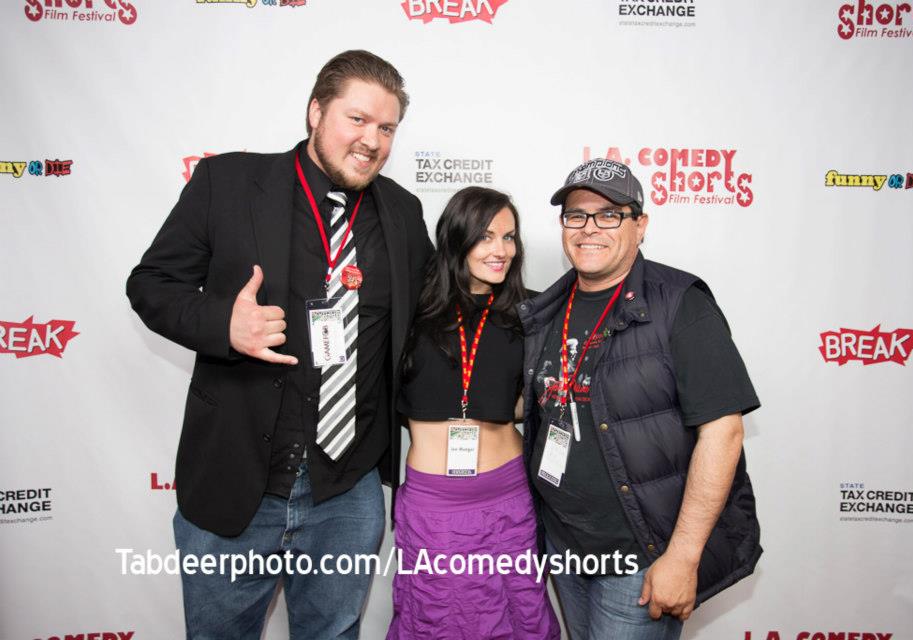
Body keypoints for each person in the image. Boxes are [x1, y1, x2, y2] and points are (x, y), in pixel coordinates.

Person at [126, 50, 433, 639]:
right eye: (357, 119)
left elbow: (430, 317)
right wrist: (224, 325)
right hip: (238, 483)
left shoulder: (402, 211)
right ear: (315, 112)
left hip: (347, 492)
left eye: (387, 127)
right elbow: (150, 285)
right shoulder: (230, 183)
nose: (372, 140)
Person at [520, 158, 761, 639]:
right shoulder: (550, 306)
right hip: (566, 545)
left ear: (640, 225)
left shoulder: (680, 303)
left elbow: (723, 431)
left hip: (641, 555)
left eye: (609, 214)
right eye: (576, 215)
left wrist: (683, 556)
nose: (590, 229)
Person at [388, 186, 560, 639]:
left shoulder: (532, 313)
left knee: (518, 617)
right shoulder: (411, 309)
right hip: (436, 508)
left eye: (509, 237)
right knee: (438, 620)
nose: (500, 250)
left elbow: (529, 399)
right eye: (485, 237)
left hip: (510, 497)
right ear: (457, 238)